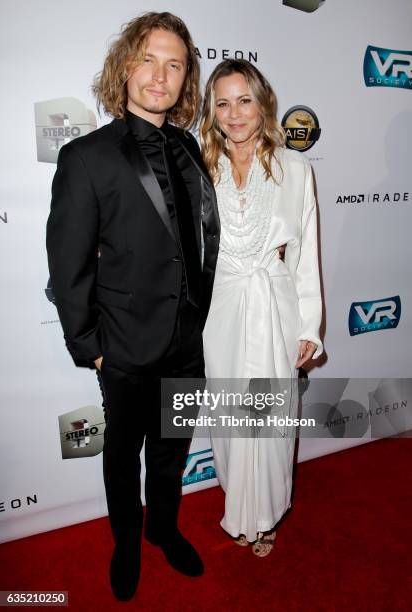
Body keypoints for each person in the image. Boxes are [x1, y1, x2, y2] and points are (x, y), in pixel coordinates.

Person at [46, 12, 219, 600]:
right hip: (123, 344)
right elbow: (68, 266)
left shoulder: (189, 145)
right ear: (124, 67)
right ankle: (126, 540)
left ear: (184, 78)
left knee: (172, 449)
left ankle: (164, 530)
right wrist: (91, 347)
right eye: (148, 59)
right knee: (123, 458)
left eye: (174, 64)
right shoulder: (87, 157)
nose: (159, 75)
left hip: (186, 340)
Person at [199, 59, 323, 557]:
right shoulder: (200, 166)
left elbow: (306, 251)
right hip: (222, 306)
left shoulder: (295, 168)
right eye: (223, 103)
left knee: (270, 422)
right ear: (212, 110)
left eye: (244, 100)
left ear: (262, 102)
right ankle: (239, 503)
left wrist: (309, 325)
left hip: (275, 302)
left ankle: (267, 514)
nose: (234, 114)